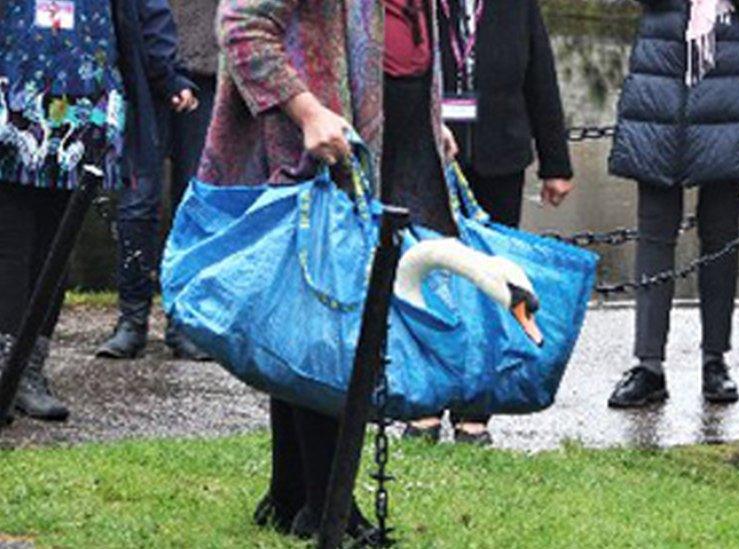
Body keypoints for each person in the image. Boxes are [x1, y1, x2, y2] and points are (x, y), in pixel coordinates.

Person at [199, 0, 457, 540]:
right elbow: (240, 23)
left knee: (315, 323)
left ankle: (292, 491)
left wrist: (427, 125)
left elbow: (398, 47)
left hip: (376, 148)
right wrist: (307, 110)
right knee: (329, 329)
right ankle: (328, 505)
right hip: (315, 155)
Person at [0, 0, 196, 421]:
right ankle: (5, 366)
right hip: (10, 94)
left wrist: (168, 74)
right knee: (10, 238)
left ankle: (28, 370)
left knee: (55, 243)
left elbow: (146, 10)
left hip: (84, 103)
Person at [401, 0, 575, 446]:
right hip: (428, 155)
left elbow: (541, 78)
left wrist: (556, 162)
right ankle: (423, 404)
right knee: (429, 280)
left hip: (501, 155)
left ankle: (474, 410)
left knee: (490, 286)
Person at [606, 0, 739, 408]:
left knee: (720, 234)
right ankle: (648, 364)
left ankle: (715, 360)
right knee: (654, 231)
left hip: (732, 80)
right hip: (661, 79)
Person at [96, 0, 218, 361]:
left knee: (195, 201)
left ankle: (185, 321)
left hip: (208, 70)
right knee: (138, 199)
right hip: (140, 69)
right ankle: (132, 319)